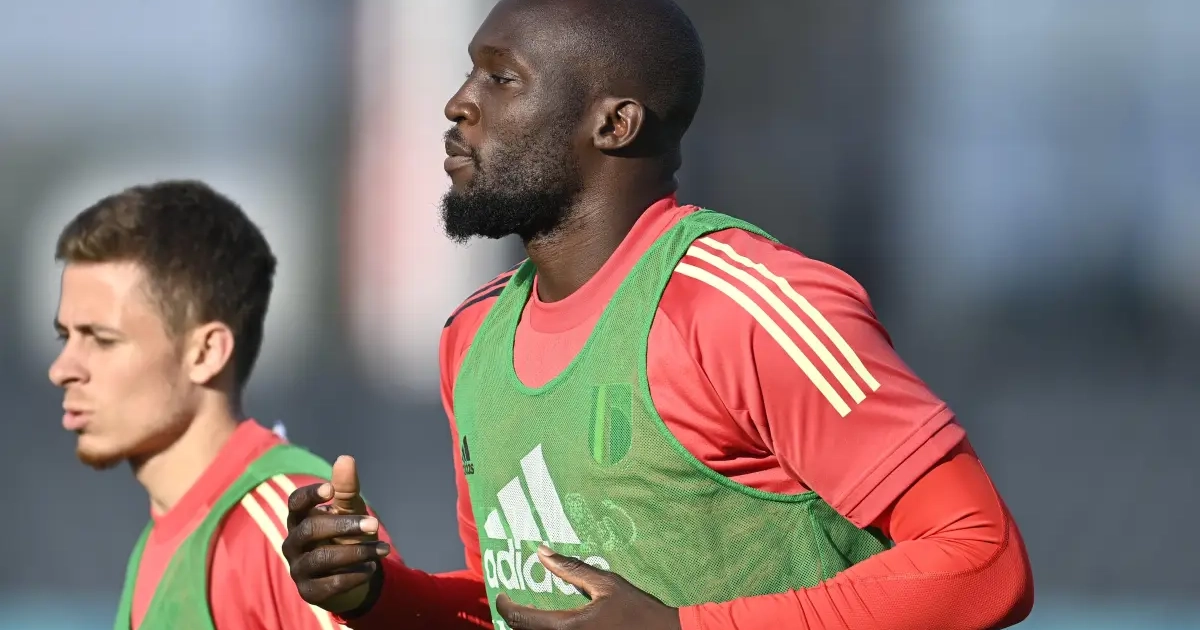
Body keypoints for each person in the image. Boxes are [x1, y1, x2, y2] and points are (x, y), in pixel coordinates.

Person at [281, 0, 1035, 628]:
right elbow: (514, 606)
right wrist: (376, 596)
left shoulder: (742, 305)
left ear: (615, 124)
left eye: (502, 77)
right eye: (471, 70)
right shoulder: (471, 336)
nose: (459, 103)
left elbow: (983, 558)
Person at [49, 180, 392, 630]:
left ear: (206, 353)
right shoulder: (162, 535)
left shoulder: (289, 527)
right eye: (66, 337)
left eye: (101, 339)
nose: (62, 369)